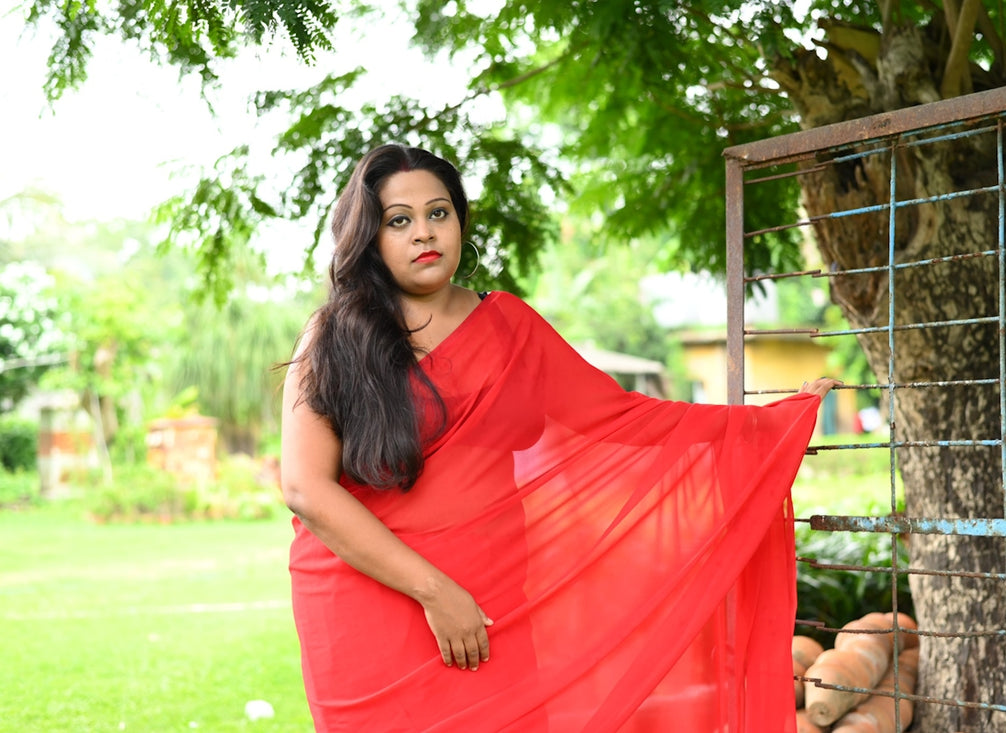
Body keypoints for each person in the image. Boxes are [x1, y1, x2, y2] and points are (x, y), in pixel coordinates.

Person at [280, 143, 840, 733]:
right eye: (400, 220)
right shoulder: (334, 336)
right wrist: (435, 592)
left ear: (460, 222)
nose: (424, 233)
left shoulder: (507, 327)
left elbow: (622, 418)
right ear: (370, 237)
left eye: (438, 213)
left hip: (492, 603)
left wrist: (772, 424)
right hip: (370, 603)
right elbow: (305, 489)